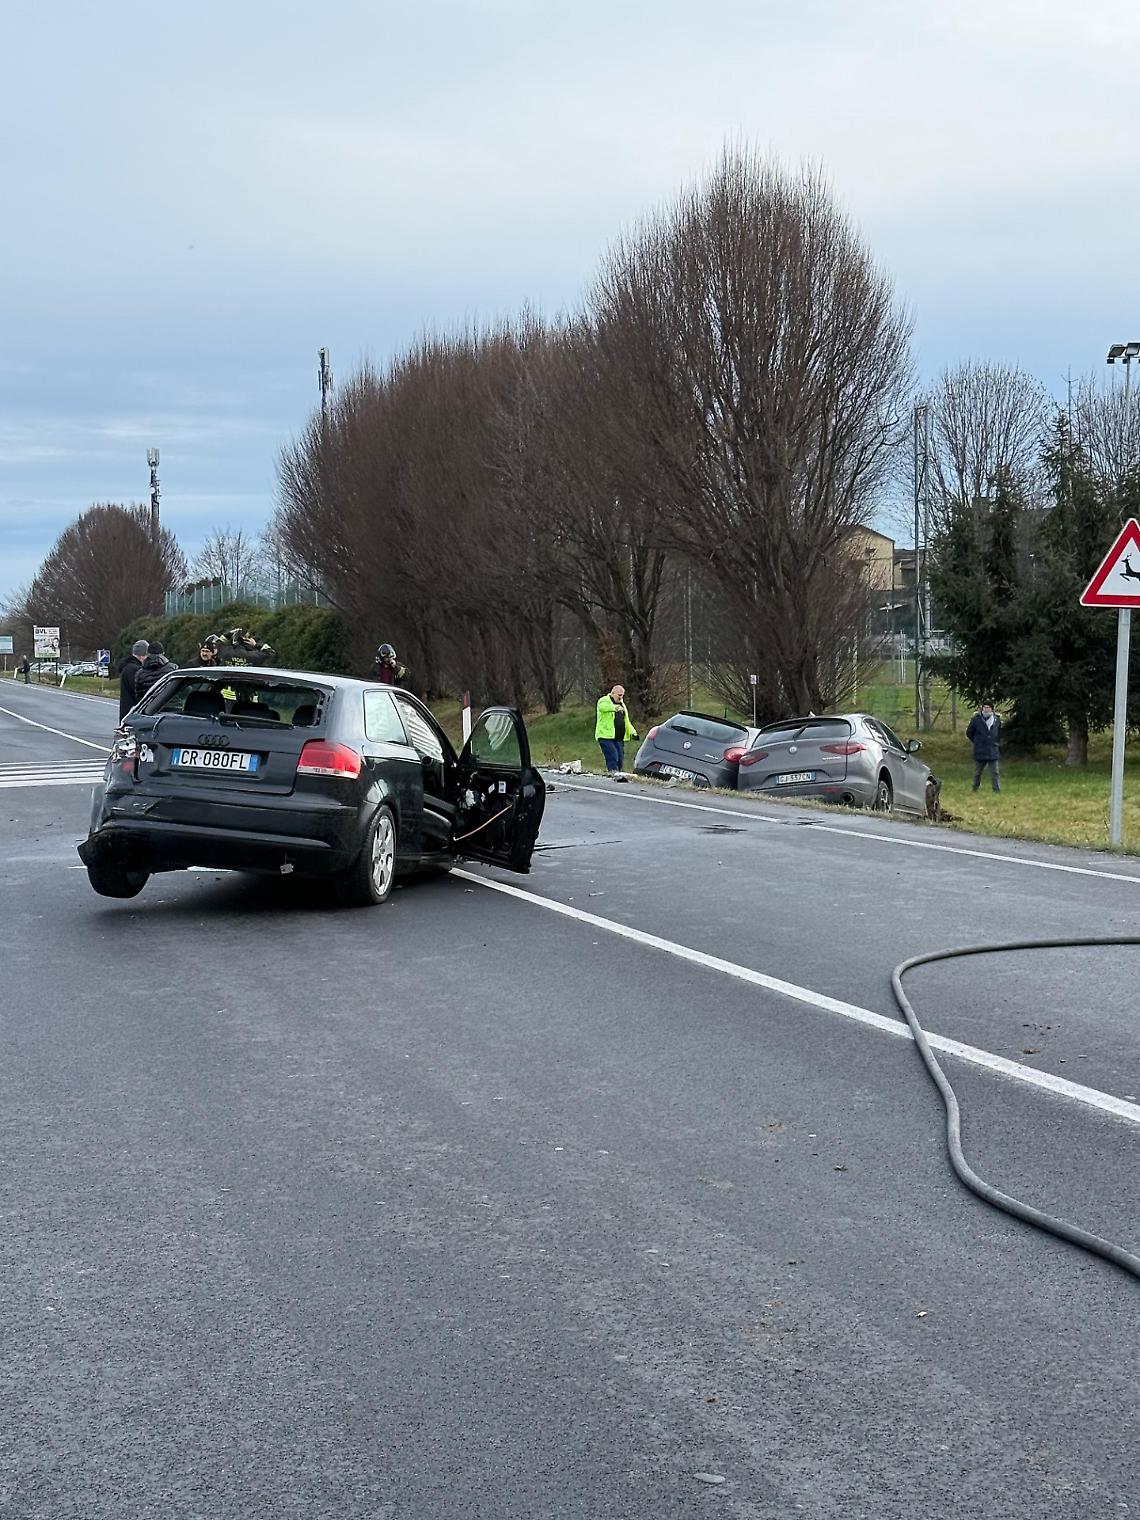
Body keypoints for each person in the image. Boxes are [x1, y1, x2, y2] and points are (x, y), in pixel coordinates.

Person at [595, 683, 638, 777]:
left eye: (622, 695)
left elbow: (626, 720)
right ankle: (613, 773)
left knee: (620, 758)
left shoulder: (622, 704)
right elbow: (603, 708)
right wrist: (615, 708)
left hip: (619, 737)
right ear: (613, 693)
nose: (621, 697)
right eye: (619, 695)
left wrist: (633, 732)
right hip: (605, 736)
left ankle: (619, 774)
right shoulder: (603, 701)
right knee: (612, 755)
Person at [967, 701, 1002, 792]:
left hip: (992, 750)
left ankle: (996, 790)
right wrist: (977, 741)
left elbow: (998, 733)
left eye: (988, 707)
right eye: (984, 707)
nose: (986, 709)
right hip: (980, 750)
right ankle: (974, 788)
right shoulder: (976, 719)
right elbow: (969, 732)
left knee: (995, 772)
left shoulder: (996, 720)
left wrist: (995, 741)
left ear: (992, 709)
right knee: (977, 772)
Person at [118, 640, 150, 718]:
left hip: (127, 711)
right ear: (142, 656)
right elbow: (140, 691)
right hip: (133, 713)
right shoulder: (135, 670)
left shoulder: (127, 667)